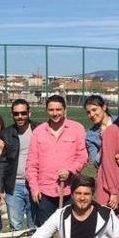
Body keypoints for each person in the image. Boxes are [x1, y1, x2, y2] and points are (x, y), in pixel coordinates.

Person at [26, 95, 88, 226]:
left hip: (70, 190)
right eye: (51, 110)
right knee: (45, 231)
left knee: (71, 230)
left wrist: (70, 171)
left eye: (58, 109)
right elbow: (32, 163)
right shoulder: (38, 132)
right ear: (47, 110)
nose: (55, 113)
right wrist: (34, 188)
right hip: (44, 192)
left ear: (65, 110)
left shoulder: (77, 129)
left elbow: (82, 156)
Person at [0, 99, 38, 230]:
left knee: (35, 225)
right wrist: (0, 189)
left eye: (23, 113)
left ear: (29, 113)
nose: (20, 116)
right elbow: (3, 163)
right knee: (15, 225)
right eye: (16, 114)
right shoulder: (6, 134)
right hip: (14, 185)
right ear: (12, 115)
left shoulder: (39, 130)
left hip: (35, 185)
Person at [84, 95, 114, 168]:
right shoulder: (90, 135)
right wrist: (104, 142)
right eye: (88, 112)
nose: (91, 115)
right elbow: (96, 162)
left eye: (94, 110)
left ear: (104, 107)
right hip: (106, 174)